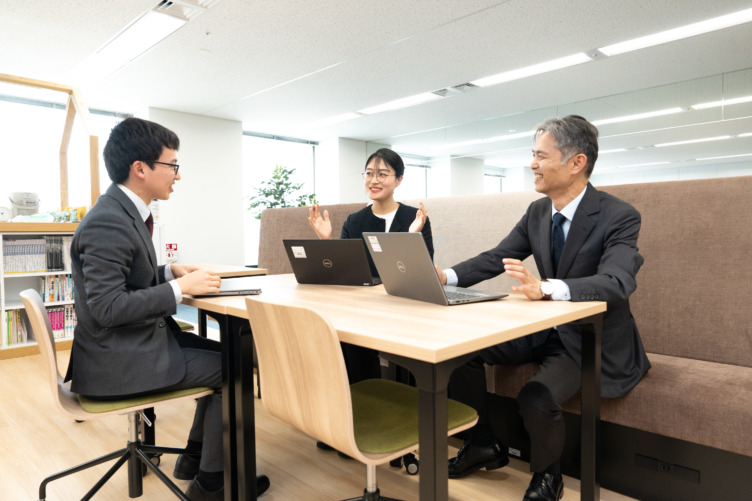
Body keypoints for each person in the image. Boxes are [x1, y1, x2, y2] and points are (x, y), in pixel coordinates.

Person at [437, 115, 651, 501]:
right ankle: (483, 443)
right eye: (531, 155)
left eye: (539, 155)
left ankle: (548, 478)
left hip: (587, 338)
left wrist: (547, 288)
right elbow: (499, 256)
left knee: (536, 395)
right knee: (458, 353)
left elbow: (618, 282)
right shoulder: (538, 211)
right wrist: (447, 277)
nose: (532, 164)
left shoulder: (619, 216)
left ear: (576, 163)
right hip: (543, 329)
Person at [66, 117, 270, 500]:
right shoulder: (109, 222)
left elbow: (126, 278)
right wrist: (179, 288)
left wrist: (168, 271)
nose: (178, 175)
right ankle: (212, 484)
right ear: (140, 169)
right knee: (235, 368)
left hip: (125, 347)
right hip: (118, 362)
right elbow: (109, 307)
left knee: (229, 354)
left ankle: (195, 459)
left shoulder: (121, 212)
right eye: (172, 165)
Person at [308, 147, 432, 383]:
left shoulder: (415, 218)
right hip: (363, 307)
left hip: (404, 306)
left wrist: (411, 237)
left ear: (399, 180)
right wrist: (326, 240)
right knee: (340, 325)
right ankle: (361, 393)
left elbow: (422, 275)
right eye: (369, 174)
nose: (374, 180)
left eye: (383, 174)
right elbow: (344, 274)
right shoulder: (355, 220)